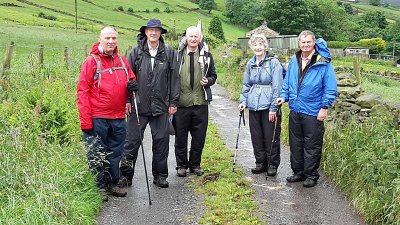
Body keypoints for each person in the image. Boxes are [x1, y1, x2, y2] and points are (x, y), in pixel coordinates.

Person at [77, 26, 136, 201]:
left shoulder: (123, 61)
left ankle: (112, 183)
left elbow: (130, 80)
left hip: (118, 117)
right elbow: (82, 91)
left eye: (114, 38)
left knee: (115, 153)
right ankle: (99, 186)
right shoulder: (91, 62)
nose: (111, 41)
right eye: (107, 38)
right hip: (98, 117)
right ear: (100, 39)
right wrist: (85, 121)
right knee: (96, 152)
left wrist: (132, 88)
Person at [120, 18, 179, 188]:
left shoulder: (169, 52)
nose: (153, 33)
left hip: (161, 106)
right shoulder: (135, 52)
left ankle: (160, 175)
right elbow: (127, 78)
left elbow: (174, 79)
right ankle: (125, 176)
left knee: (161, 141)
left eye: (157, 30)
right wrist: (127, 100)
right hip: (138, 105)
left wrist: (173, 102)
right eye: (150, 30)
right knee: (131, 142)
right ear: (145, 32)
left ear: (160, 33)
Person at [276, 30, 338, 188]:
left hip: (313, 110)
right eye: (302, 42)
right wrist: (284, 96)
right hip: (295, 109)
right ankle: (298, 172)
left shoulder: (323, 62)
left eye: (308, 42)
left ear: (314, 43)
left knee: (312, 144)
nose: (305, 45)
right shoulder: (294, 59)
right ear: (299, 43)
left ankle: (311, 174)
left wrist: (324, 107)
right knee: (296, 142)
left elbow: (330, 88)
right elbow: (288, 81)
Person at [173, 26, 217, 177]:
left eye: (195, 37)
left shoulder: (207, 56)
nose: (193, 39)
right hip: (182, 102)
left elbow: (213, 75)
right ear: (185, 38)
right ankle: (181, 165)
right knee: (181, 136)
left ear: (200, 38)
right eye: (190, 36)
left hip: (200, 102)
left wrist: (208, 80)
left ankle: (195, 165)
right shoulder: (177, 56)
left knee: (199, 136)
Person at [238, 34, 283, 178]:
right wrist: (243, 101)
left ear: (265, 46)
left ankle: (272, 164)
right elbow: (246, 84)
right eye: (255, 44)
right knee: (256, 135)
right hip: (253, 105)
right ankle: (260, 162)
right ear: (251, 47)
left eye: (260, 44)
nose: (257, 47)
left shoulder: (274, 63)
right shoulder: (250, 63)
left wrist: (273, 108)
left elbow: (277, 87)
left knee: (271, 136)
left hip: (268, 104)